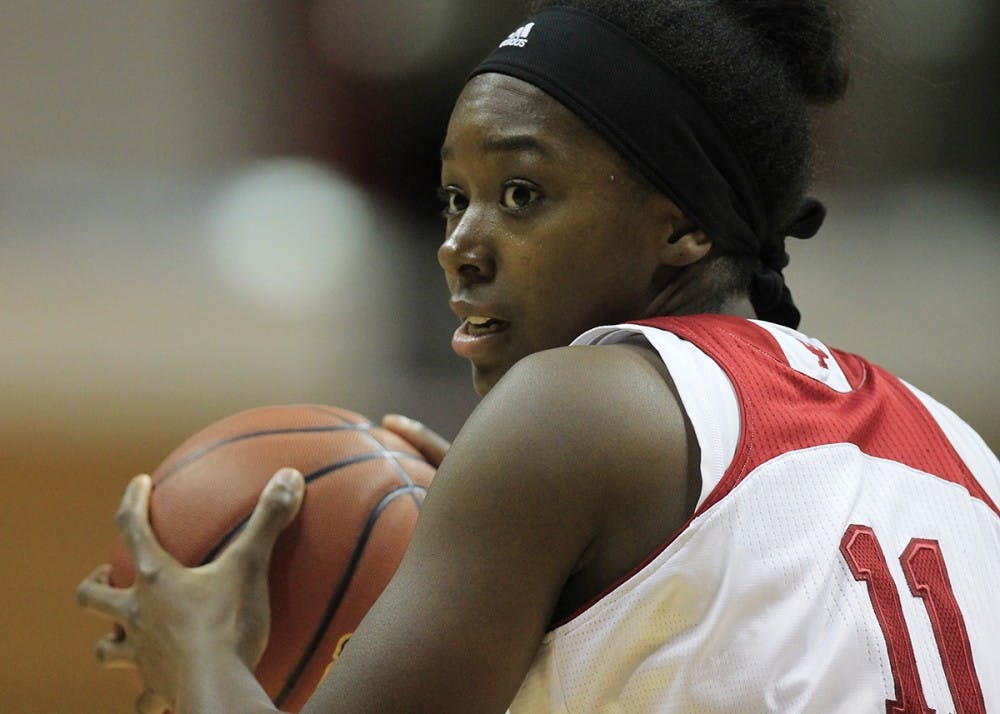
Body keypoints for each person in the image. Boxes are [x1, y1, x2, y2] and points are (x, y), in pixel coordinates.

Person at [77, 1, 1000, 712]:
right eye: (452, 199)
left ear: (680, 225)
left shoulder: (568, 412)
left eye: (521, 193)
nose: (459, 246)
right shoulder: (958, 447)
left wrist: (193, 649)